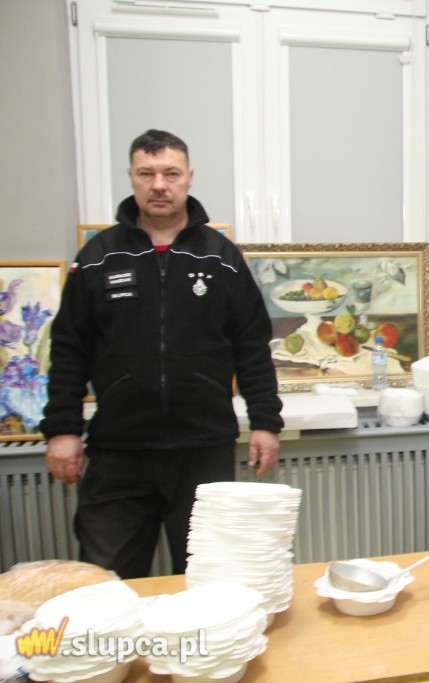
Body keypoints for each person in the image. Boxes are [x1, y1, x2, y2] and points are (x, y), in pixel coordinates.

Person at [40, 129, 283, 579]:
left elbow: (251, 346)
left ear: (189, 177)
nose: (159, 185)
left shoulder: (221, 258)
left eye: (170, 173)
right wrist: (62, 430)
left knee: (207, 580)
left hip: (203, 450)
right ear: (131, 177)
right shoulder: (97, 257)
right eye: (146, 173)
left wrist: (266, 422)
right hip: (118, 452)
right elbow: (69, 349)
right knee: (107, 583)